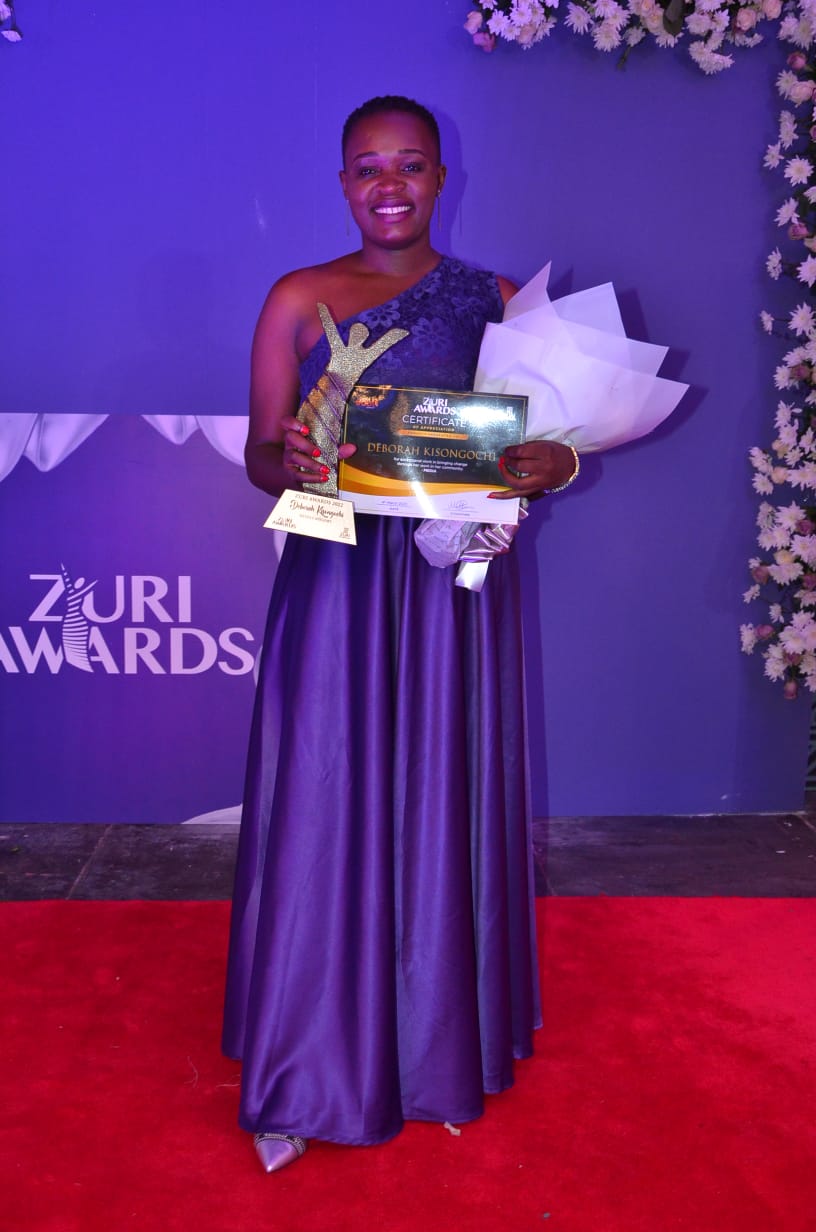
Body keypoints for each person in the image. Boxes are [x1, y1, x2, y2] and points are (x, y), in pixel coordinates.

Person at [222, 95, 578, 1173]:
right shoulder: (298, 296)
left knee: (441, 787)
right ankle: (308, 1050)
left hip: (448, 587)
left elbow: (551, 441)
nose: (390, 185)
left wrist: (552, 464)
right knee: (325, 788)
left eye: (411, 164)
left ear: (439, 178)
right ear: (343, 182)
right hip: (335, 573)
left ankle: (433, 1041)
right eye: (369, 167)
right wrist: (293, 454)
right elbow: (261, 453)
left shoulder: (498, 301)